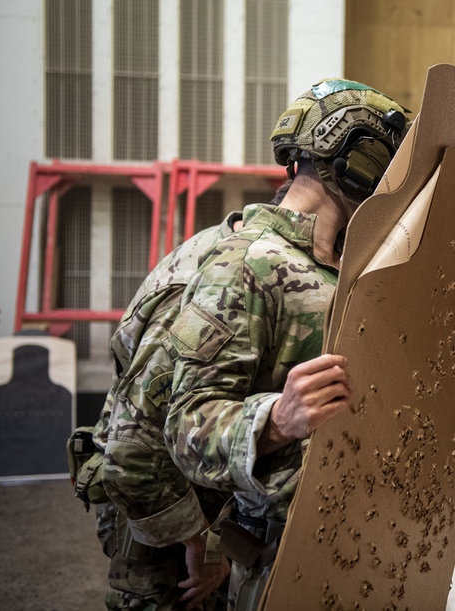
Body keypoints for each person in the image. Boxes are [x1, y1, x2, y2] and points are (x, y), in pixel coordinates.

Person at [162, 78, 455, 608]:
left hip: (372, 545)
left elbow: (445, 359)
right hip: (290, 561)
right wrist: (275, 419)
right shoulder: (244, 264)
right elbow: (185, 426)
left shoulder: (355, 264)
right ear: (359, 158)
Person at [78, 183, 290, 611]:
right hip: (162, 519)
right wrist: (201, 546)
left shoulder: (227, 250)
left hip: (180, 497)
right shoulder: (219, 277)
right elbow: (133, 446)